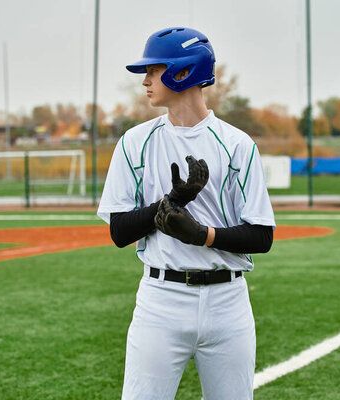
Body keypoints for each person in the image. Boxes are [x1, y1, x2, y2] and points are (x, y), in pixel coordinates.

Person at [97, 27, 275, 399]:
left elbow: (262, 236)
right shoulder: (134, 142)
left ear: (184, 71)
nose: (145, 81)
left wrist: (202, 235)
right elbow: (119, 231)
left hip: (228, 304)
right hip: (160, 301)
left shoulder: (237, 145)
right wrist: (168, 204)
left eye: (153, 70)